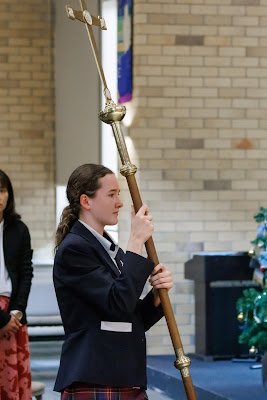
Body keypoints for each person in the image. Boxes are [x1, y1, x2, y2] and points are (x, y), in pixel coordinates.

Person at [53, 163, 173, 400]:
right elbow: (116, 306)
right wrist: (136, 241)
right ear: (86, 201)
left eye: (118, 194)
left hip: (122, 372)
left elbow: (130, 317)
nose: (119, 202)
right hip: (97, 372)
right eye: (111, 194)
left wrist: (156, 297)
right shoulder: (75, 249)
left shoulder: (105, 247)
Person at [0, 170, 33, 400]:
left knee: (13, 383)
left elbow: (25, 274)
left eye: (2, 190)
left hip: (13, 313)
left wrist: (16, 313)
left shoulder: (19, 229)